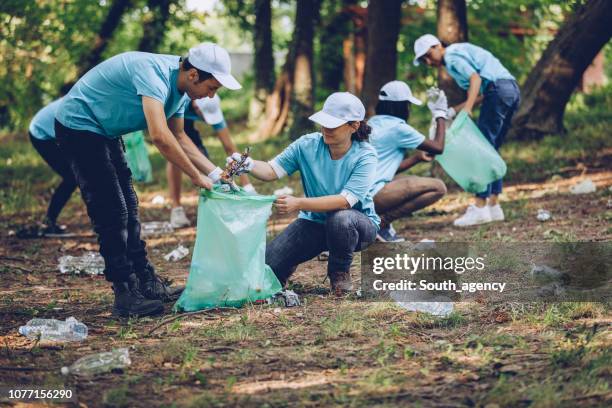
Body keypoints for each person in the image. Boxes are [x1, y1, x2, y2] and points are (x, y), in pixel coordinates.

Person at [54, 42, 241, 317]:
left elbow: (179, 136)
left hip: (105, 129)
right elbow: (160, 136)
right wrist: (195, 176)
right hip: (78, 125)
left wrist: (215, 174)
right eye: (211, 88)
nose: (211, 97)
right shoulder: (153, 74)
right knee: (112, 209)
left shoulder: (180, 90)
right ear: (193, 75)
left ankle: (146, 281)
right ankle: (125, 293)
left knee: (129, 204)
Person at [226, 92, 379, 295]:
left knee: (340, 219)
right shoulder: (307, 145)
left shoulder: (366, 155)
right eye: (324, 122)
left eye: (333, 125)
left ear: (354, 126)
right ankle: (288, 266)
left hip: (358, 226)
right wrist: (249, 164)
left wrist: (298, 203)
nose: (326, 128)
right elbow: (272, 170)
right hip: (314, 223)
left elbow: (344, 201)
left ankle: (339, 272)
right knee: (269, 265)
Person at [413, 34, 520, 227]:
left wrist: (468, 108)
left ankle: (480, 207)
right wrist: (454, 110)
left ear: (438, 46)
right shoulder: (459, 53)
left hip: (498, 91)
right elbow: (480, 93)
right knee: (491, 150)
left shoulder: (452, 56)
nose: (428, 62)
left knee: (482, 150)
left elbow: (475, 79)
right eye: (424, 60)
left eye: (428, 55)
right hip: (510, 90)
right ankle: (494, 206)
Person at [369, 81, 448, 242]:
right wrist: (440, 114)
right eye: (407, 104)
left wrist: (416, 158)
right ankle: (381, 223)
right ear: (400, 106)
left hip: (361, 194)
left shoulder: (372, 123)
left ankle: (376, 224)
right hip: (373, 196)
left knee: (404, 181)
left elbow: (382, 170)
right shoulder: (397, 128)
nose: (409, 109)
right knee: (438, 187)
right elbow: (438, 147)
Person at [167, 94, 255, 228]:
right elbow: (172, 140)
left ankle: (215, 207)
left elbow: (230, 148)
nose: (207, 121)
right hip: (174, 118)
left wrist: (247, 186)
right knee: (176, 156)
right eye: (204, 116)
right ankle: (176, 208)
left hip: (188, 124)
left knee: (203, 158)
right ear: (196, 106)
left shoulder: (212, 105)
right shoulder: (179, 101)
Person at [28, 97, 78, 236]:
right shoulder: (80, 107)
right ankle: (49, 223)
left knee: (79, 175)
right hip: (41, 133)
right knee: (73, 177)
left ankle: (49, 221)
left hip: (54, 130)